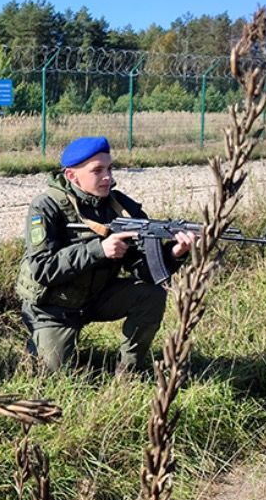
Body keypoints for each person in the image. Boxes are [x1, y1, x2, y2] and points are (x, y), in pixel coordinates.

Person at [15, 136, 195, 373]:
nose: (107, 176)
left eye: (109, 168)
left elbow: (144, 270)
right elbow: (42, 268)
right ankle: (44, 346)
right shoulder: (46, 206)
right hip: (52, 308)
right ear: (71, 176)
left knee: (151, 295)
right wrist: (99, 249)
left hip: (96, 297)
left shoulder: (121, 208)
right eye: (97, 170)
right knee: (49, 373)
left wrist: (174, 253)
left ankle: (128, 374)